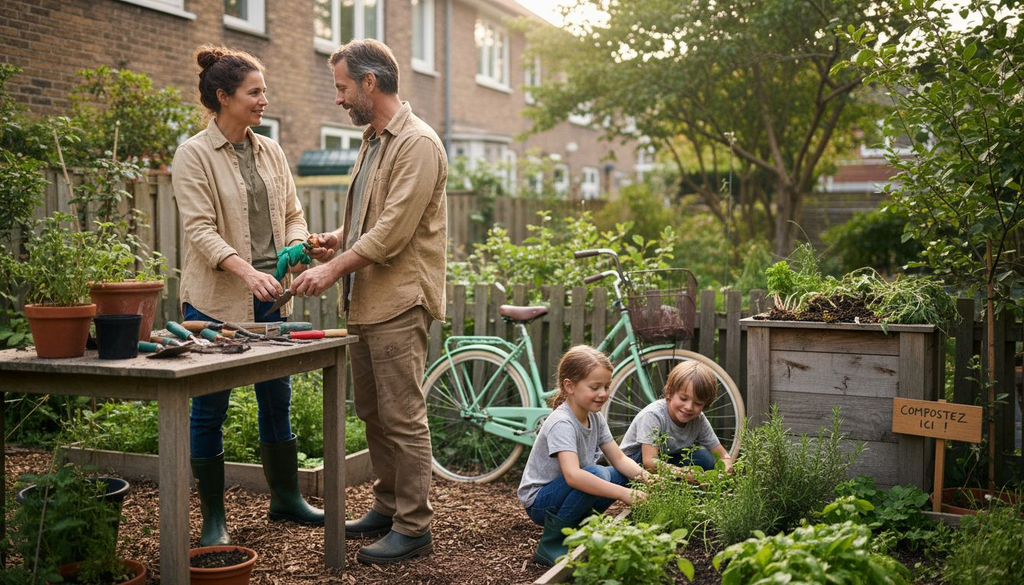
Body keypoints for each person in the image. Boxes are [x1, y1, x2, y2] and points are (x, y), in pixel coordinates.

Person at [289, 38, 447, 565]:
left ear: (369, 83)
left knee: (403, 416)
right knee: (374, 413)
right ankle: (386, 506)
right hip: (366, 300)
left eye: (341, 87)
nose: (338, 98)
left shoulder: (417, 143)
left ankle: (415, 525)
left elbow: (394, 234)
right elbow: (370, 221)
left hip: (400, 301)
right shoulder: (373, 141)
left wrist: (331, 269)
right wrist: (337, 239)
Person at [171, 45, 325, 547]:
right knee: (209, 406)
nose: (264, 100)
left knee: (275, 396)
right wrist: (244, 271)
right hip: (216, 300)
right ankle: (214, 517)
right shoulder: (194, 154)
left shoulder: (271, 150)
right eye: (254, 92)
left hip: (272, 297)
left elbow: (293, 212)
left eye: (264, 91)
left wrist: (298, 245)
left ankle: (285, 497)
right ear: (223, 97)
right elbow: (199, 229)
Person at [517, 345, 651, 566]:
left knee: (620, 474)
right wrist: (626, 495)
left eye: (606, 386)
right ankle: (551, 544)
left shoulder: (594, 417)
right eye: (595, 387)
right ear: (569, 386)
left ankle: (578, 527)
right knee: (598, 473)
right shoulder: (562, 422)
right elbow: (573, 476)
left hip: (567, 491)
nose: (603, 394)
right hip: (540, 501)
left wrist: (650, 479)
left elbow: (619, 459)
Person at [619, 360, 735, 479]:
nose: (689, 407)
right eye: (683, 398)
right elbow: (649, 462)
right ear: (669, 393)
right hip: (633, 462)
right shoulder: (654, 415)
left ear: (705, 405)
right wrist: (684, 475)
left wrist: (726, 469)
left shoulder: (699, 420)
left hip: (665, 459)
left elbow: (723, 455)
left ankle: (675, 483)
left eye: (697, 403)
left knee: (705, 459)